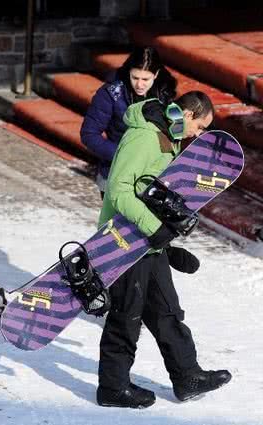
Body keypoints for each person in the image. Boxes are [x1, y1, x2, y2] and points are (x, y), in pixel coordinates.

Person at [96, 91, 232, 409]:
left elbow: (152, 190)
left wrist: (167, 235)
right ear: (186, 115)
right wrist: (154, 228)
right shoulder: (144, 136)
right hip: (123, 240)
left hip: (149, 241)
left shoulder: (168, 136)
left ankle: (187, 376)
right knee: (126, 315)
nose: (198, 135)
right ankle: (112, 387)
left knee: (166, 310)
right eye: (199, 127)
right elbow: (118, 191)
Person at [80, 46, 177, 199]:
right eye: (135, 77)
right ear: (128, 72)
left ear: (156, 75)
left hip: (151, 175)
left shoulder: (164, 95)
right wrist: (123, 155)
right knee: (116, 222)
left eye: (145, 79)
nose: (139, 84)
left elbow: (165, 133)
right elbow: (89, 134)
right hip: (116, 172)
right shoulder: (111, 94)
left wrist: (163, 159)